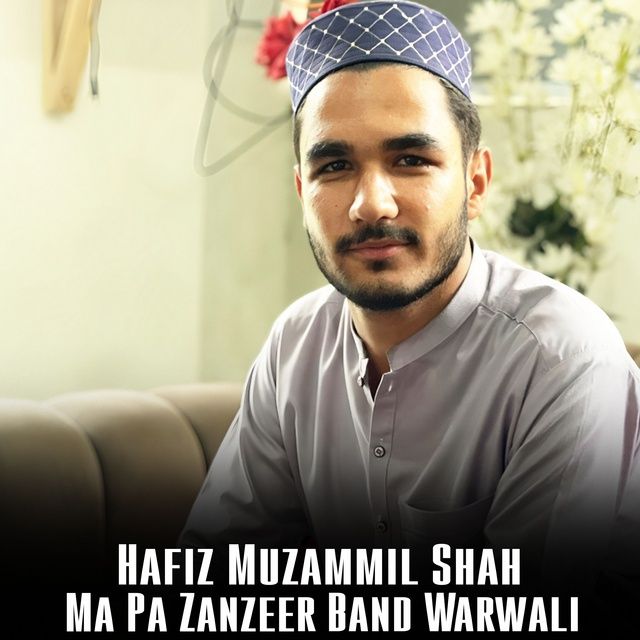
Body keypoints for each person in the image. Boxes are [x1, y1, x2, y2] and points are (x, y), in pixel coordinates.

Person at [181, 0, 640, 604]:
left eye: (411, 160)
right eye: (335, 165)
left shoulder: (562, 357)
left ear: (475, 182)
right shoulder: (295, 344)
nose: (371, 204)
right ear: (301, 190)